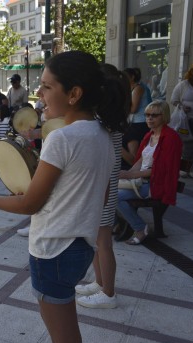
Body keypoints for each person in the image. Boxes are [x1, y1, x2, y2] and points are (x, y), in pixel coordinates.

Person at [0, 51, 125, 343]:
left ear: (74, 94)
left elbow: (30, 204)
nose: (40, 94)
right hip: (82, 246)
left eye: (47, 87)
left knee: (65, 341)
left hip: (53, 248)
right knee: (68, 332)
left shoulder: (62, 138)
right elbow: (99, 199)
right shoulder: (102, 135)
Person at [75, 63, 130, 309]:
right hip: (103, 187)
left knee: (104, 243)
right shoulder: (111, 118)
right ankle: (99, 283)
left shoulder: (107, 122)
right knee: (97, 241)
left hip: (104, 189)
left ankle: (108, 293)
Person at [117, 100, 183, 245]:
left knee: (115, 197)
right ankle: (116, 224)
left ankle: (140, 228)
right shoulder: (149, 135)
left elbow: (161, 170)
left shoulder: (171, 138)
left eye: (154, 115)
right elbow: (140, 160)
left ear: (164, 116)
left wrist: (129, 176)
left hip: (156, 184)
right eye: (147, 115)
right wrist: (126, 174)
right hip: (142, 181)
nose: (149, 118)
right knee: (105, 188)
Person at [122, 67, 151, 169]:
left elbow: (133, 109)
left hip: (140, 122)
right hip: (134, 122)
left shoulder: (138, 88)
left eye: (124, 76)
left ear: (132, 77)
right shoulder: (131, 88)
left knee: (134, 147)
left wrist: (120, 107)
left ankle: (136, 169)